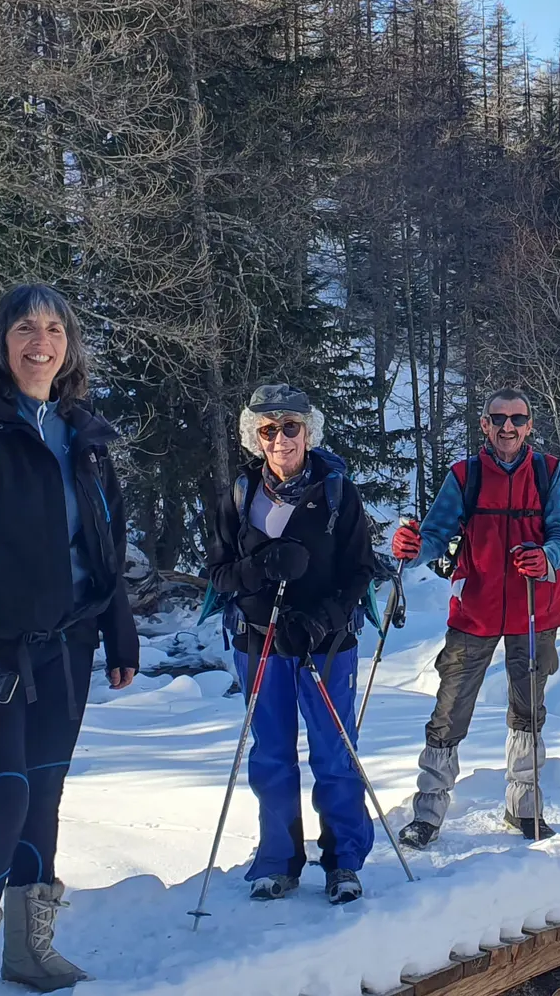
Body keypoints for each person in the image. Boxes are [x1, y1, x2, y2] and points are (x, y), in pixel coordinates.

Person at [0, 283, 140, 996]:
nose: (41, 342)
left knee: (44, 795)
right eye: (24, 329)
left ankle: (29, 953)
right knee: (4, 796)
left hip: (65, 645)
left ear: (68, 345)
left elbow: (106, 543)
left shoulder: (85, 434)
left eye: (54, 329)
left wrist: (119, 631)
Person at [205, 383, 377, 904]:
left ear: (309, 431)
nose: (281, 439)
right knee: (273, 755)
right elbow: (218, 574)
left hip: (326, 644)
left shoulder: (338, 492)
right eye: (268, 430)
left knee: (334, 751)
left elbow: (360, 571)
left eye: (291, 428)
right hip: (259, 642)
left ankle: (344, 859)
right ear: (254, 438)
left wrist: (325, 619)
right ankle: (277, 861)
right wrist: (259, 568)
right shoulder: (240, 495)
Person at [388, 387, 560, 845]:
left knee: (528, 709)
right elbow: (434, 535)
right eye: (499, 418)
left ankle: (524, 808)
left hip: (535, 608)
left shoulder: (548, 472)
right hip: (476, 609)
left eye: (517, 418)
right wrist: (411, 552)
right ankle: (428, 812)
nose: (507, 426)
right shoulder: (465, 475)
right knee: (450, 709)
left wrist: (546, 557)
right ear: (484, 425)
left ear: (530, 425)